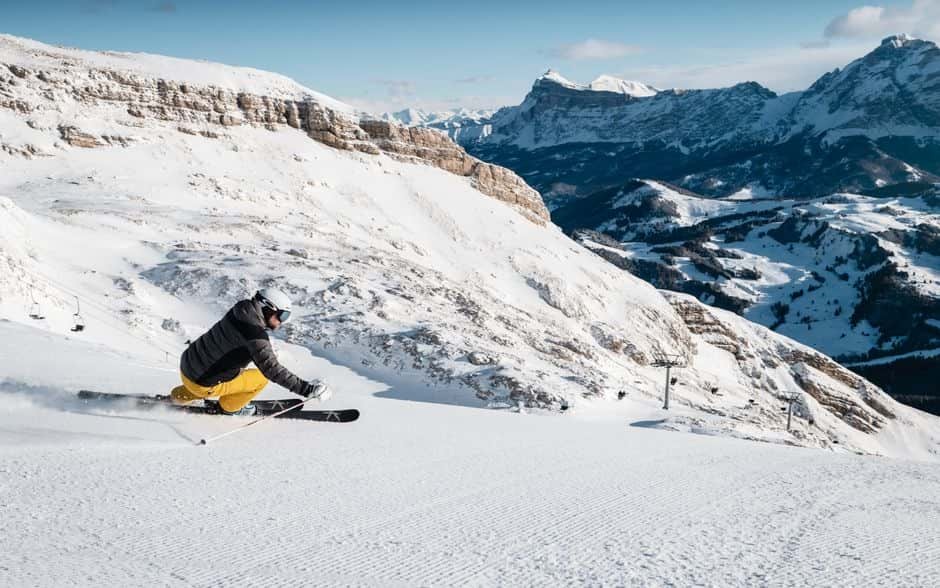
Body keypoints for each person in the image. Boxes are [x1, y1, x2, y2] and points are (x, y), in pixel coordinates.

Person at [170, 288, 327, 415]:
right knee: (260, 379)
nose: (281, 322)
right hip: (202, 384)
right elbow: (272, 370)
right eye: (282, 316)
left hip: (187, 367)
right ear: (268, 308)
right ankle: (229, 408)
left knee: (210, 376)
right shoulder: (255, 334)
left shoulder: (241, 308)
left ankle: (178, 396)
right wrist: (307, 389)